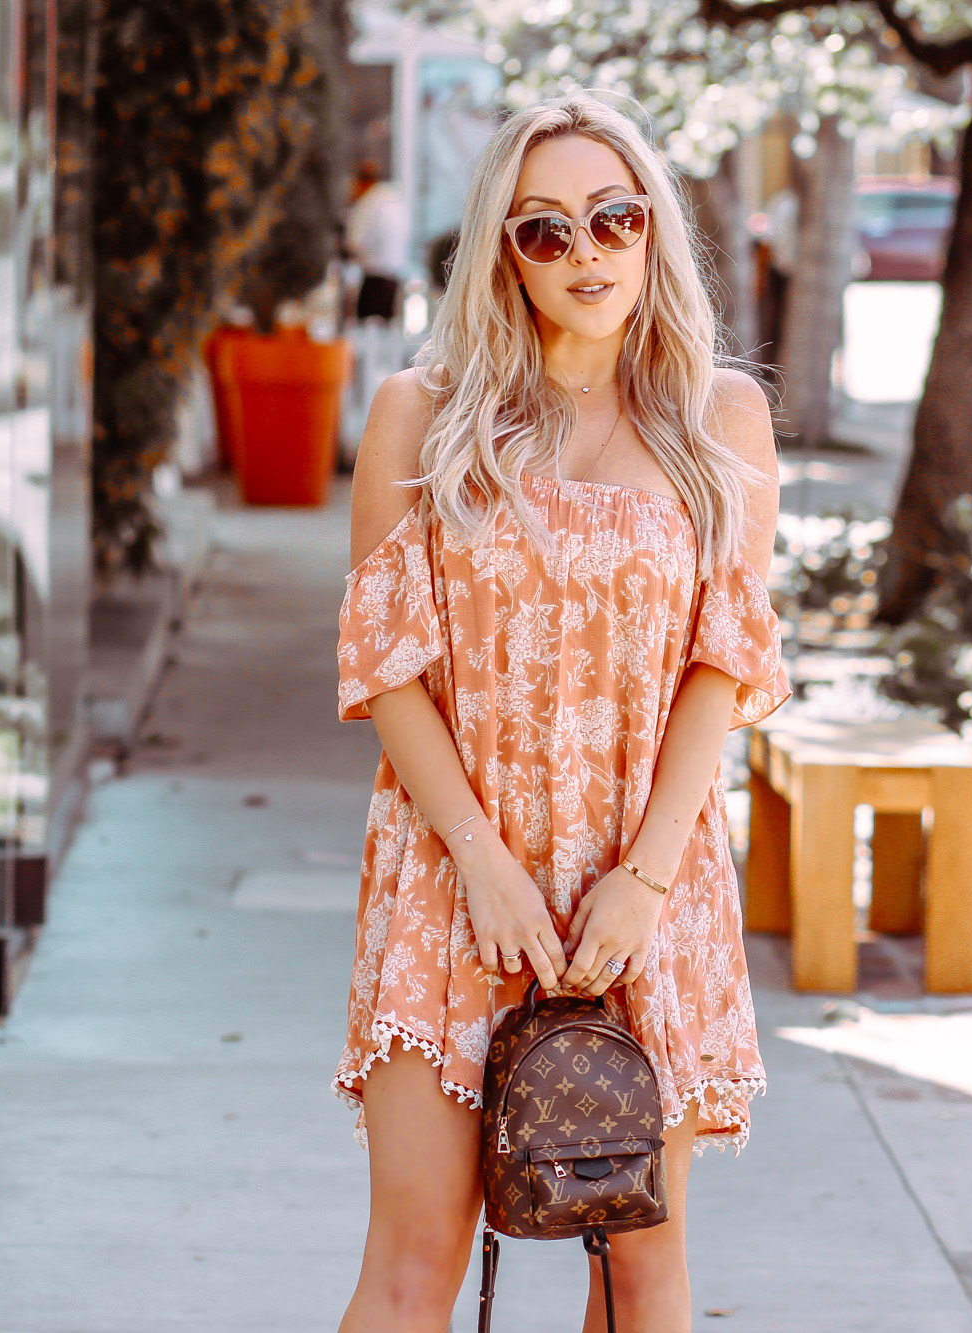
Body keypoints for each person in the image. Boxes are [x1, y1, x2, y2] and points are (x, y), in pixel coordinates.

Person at [333, 95, 787, 1332]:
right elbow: (388, 668)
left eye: (613, 217)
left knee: (634, 1266)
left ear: (651, 229)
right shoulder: (421, 420)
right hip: (448, 876)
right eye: (544, 231)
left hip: (644, 881)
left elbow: (720, 668)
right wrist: (479, 860)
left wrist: (641, 880)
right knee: (415, 1256)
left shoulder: (718, 423)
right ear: (500, 250)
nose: (586, 252)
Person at [345, 159, 410, 324]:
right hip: (394, 274)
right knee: (386, 326)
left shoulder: (369, 202)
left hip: (375, 275)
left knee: (366, 324)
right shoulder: (392, 199)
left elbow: (355, 241)